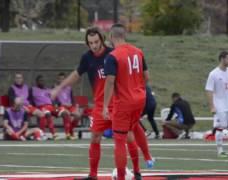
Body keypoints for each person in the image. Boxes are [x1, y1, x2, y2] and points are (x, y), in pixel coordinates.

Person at [51, 26, 152, 180]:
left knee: (129, 137)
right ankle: (93, 175)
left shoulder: (113, 54)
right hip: (100, 106)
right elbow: (76, 74)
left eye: (96, 41)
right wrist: (60, 87)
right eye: (90, 42)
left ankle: (137, 172)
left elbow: (123, 77)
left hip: (119, 104)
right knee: (95, 137)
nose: (94, 45)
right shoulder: (87, 58)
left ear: (103, 39)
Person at [103, 23, 151, 180]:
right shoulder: (138, 52)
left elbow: (110, 81)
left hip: (124, 102)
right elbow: (146, 77)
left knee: (119, 140)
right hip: (140, 99)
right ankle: (140, 168)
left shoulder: (113, 56)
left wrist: (105, 106)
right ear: (124, 35)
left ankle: (122, 177)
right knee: (134, 128)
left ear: (111, 37)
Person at [205, 51, 228, 158]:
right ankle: (220, 150)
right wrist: (212, 106)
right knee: (220, 128)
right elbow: (209, 90)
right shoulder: (213, 74)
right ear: (222, 59)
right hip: (220, 104)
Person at [54, 72, 81, 140]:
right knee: (66, 113)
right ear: (58, 80)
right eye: (60, 79)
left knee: (78, 115)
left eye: (63, 79)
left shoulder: (69, 88)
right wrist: (60, 104)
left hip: (70, 106)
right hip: (60, 107)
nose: (62, 80)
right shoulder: (55, 88)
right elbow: (53, 100)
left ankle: (70, 130)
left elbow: (72, 99)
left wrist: (75, 106)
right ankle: (68, 134)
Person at [30, 75, 57, 139]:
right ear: (37, 82)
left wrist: (55, 105)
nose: (42, 82)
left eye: (43, 81)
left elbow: (53, 100)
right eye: (40, 81)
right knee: (46, 114)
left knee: (64, 112)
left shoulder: (48, 90)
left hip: (51, 107)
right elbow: (30, 99)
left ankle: (69, 134)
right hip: (41, 107)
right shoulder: (33, 89)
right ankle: (52, 133)